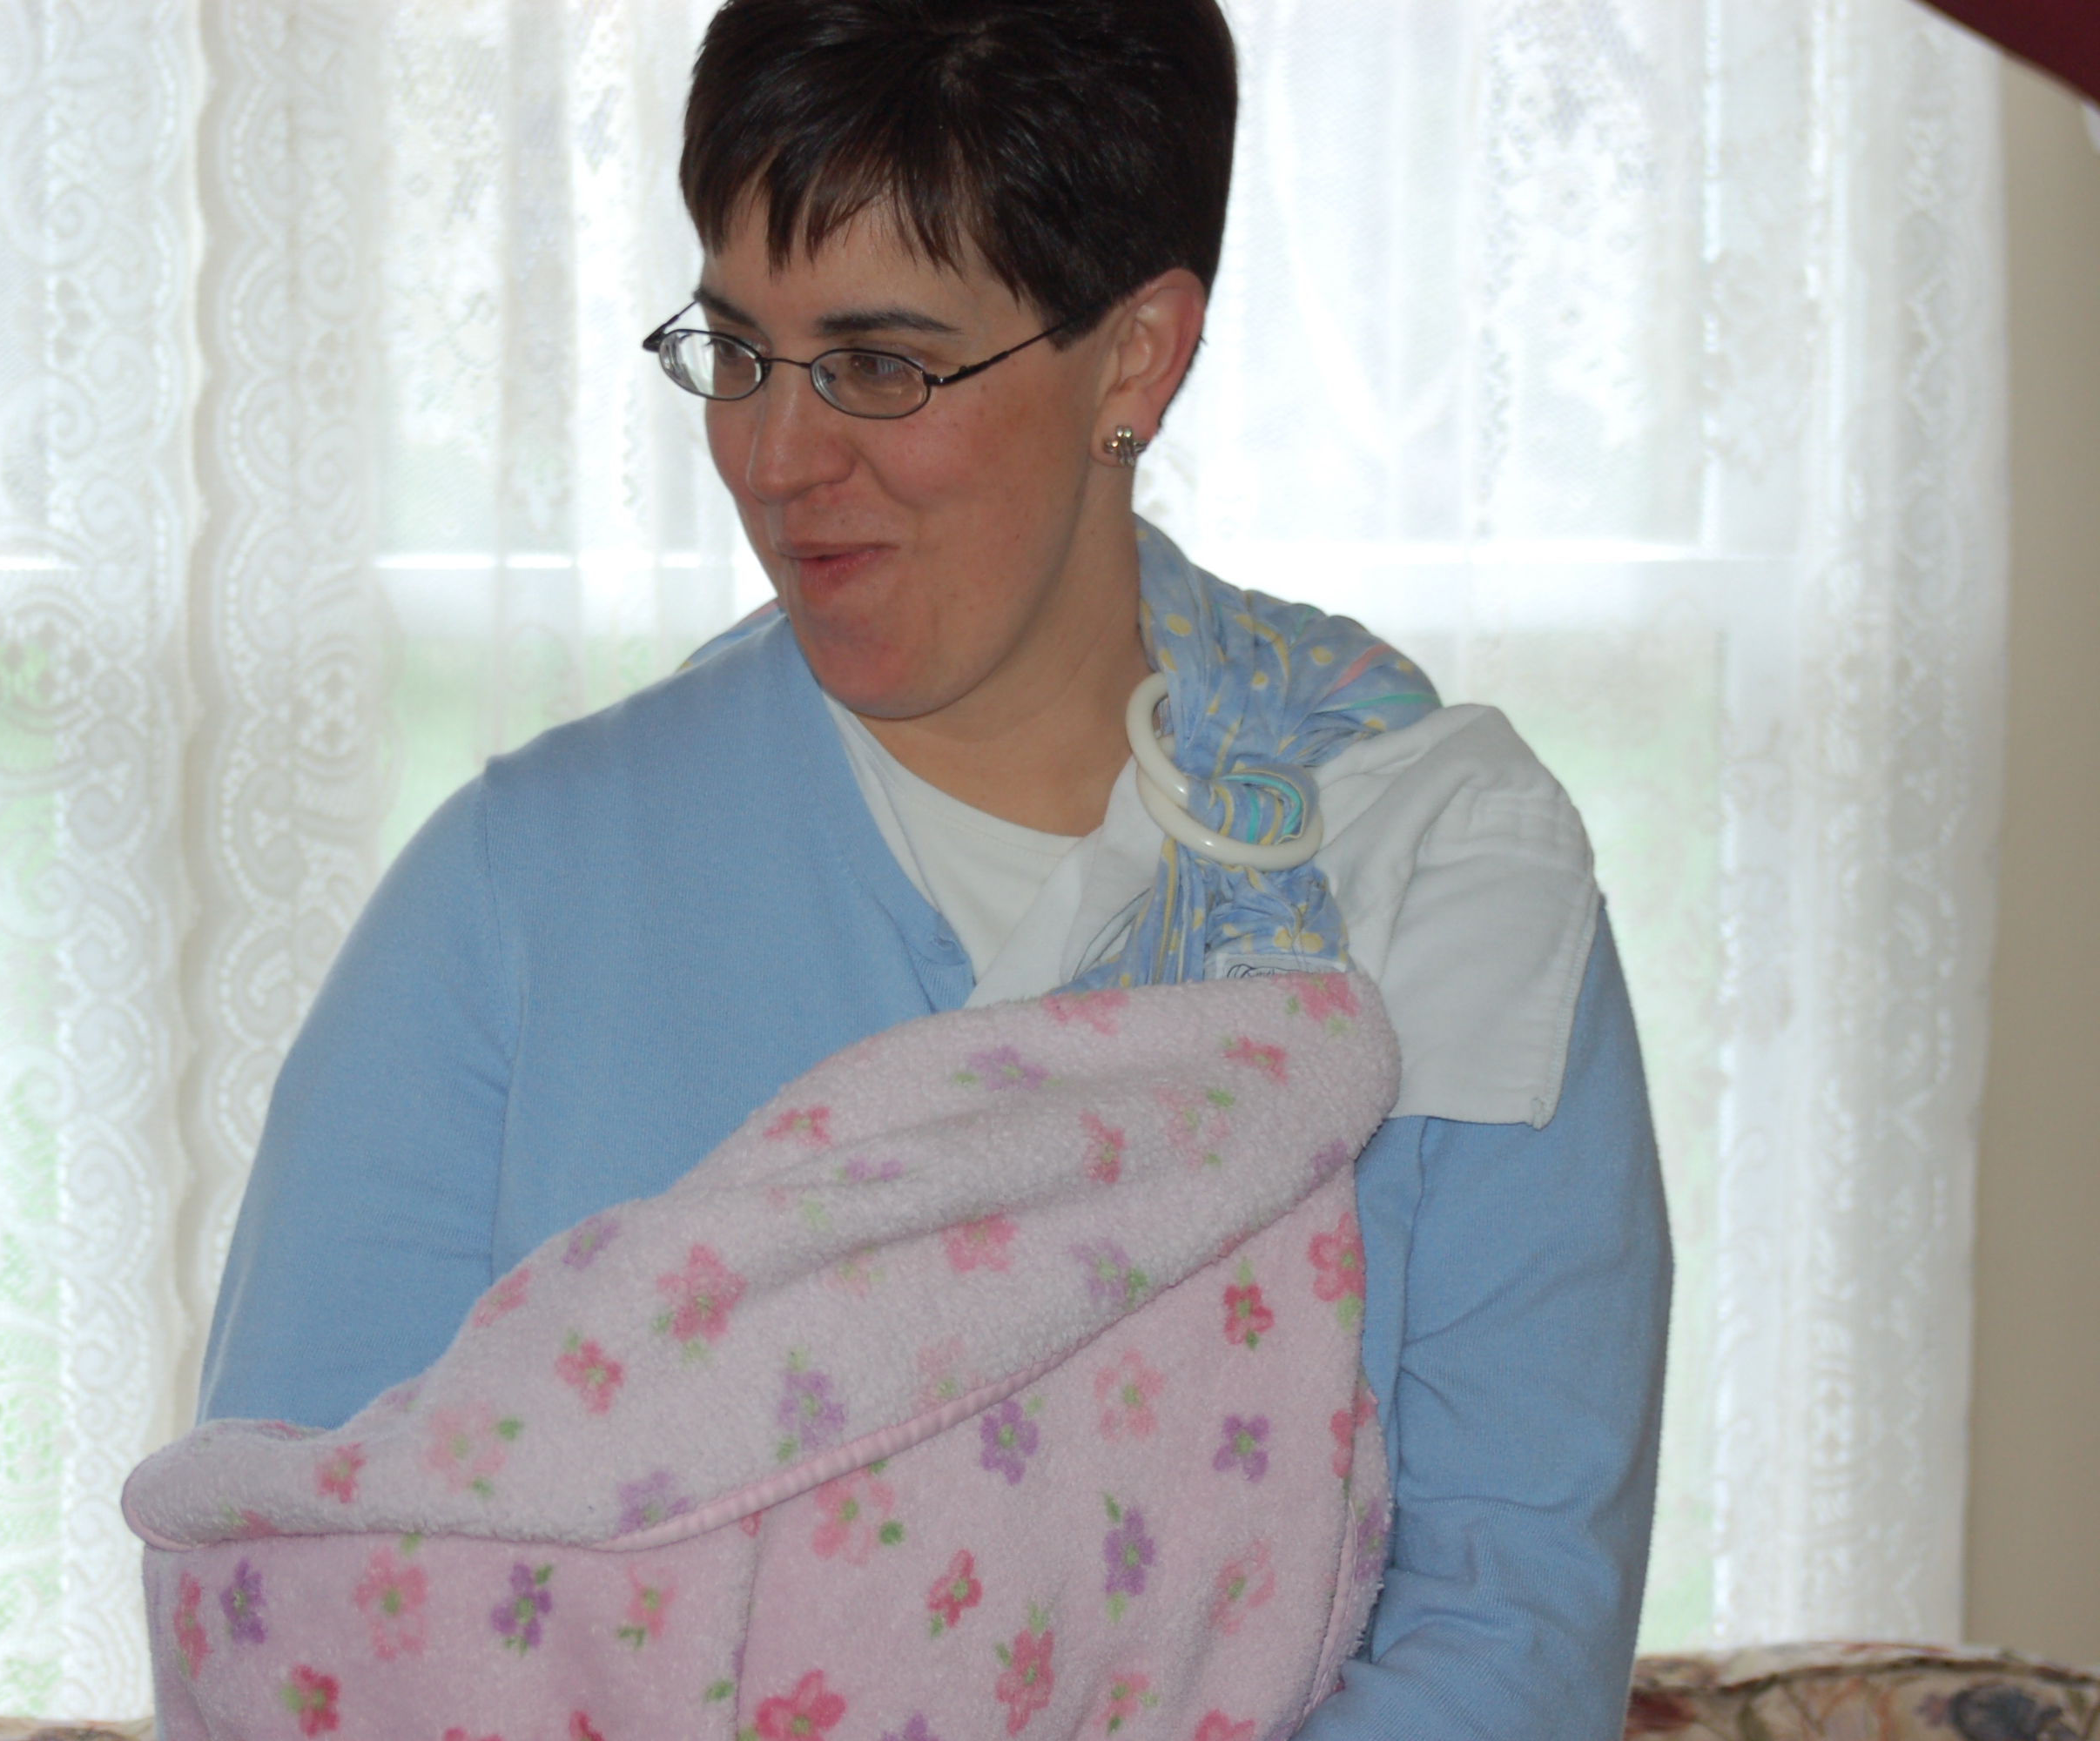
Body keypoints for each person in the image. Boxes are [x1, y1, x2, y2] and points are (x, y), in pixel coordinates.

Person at [197, 2, 1671, 1735]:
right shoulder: (518, 897)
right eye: (737, 348)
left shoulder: (1427, 863)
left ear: (1134, 359)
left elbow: (1508, 1632)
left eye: (881, 366)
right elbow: (295, 1606)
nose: (776, 458)